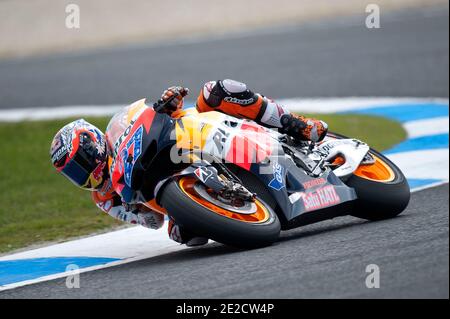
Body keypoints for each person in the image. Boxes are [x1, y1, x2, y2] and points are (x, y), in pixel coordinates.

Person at [50, 79, 328, 246]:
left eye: (81, 163)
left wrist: (168, 101)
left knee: (216, 90)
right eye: (74, 174)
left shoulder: (120, 128)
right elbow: (151, 220)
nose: (83, 174)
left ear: (94, 145)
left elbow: (155, 115)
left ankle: (297, 125)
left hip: (194, 136)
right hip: (175, 189)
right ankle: (232, 202)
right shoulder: (104, 198)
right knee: (185, 236)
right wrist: (162, 212)